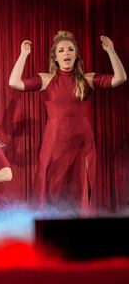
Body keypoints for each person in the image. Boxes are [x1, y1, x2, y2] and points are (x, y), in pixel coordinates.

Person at [9, 31, 127, 212]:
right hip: (55, 142)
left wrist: (111, 51)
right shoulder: (47, 79)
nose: (66, 53)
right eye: (62, 50)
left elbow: (120, 78)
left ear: (75, 55)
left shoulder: (87, 79)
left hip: (81, 144)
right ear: (55, 57)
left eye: (70, 50)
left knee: (80, 190)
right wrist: (24, 54)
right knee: (50, 190)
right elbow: (14, 82)